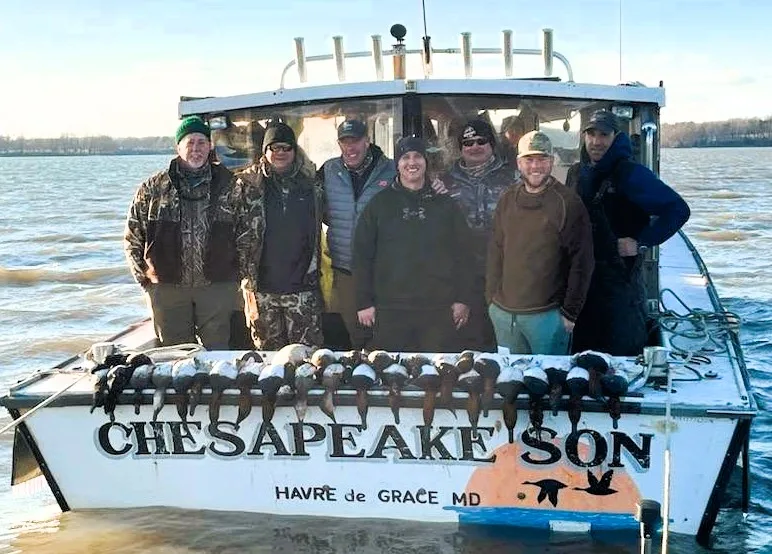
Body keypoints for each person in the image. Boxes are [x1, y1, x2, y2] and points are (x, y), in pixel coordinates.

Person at [565, 110, 691, 355]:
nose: (596, 141)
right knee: (582, 356)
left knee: (622, 355)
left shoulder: (631, 173)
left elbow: (678, 210)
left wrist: (641, 241)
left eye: (604, 135)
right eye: (591, 134)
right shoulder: (576, 173)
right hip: (583, 284)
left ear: (615, 137)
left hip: (619, 287)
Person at [124, 116, 255, 349]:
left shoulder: (230, 186)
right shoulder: (153, 188)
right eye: (190, 143)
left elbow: (248, 235)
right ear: (178, 147)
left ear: (210, 146)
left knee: (218, 352)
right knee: (175, 354)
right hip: (167, 288)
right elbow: (133, 236)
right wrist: (145, 281)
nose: (196, 149)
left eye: (201, 142)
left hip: (218, 287)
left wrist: (238, 276)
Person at [353, 136, 474, 352]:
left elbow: (464, 254)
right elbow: (362, 255)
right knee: (391, 368)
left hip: (438, 310)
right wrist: (364, 302)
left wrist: (463, 300)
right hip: (390, 309)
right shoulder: (380, 204)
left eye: (418, 156)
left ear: (426, 161)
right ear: (397, 163)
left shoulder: (445, 204)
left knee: (437, 369)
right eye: (405, 157)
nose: (412, 162)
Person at [486, 131, 594, 355]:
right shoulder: (507, 199)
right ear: (519, 163)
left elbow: (582, 262)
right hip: (504, 316)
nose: (535, 166)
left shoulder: (568, 203)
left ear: (552, 162)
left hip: (548, 317)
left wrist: (570, 312)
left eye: (542, 159)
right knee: (510, 375)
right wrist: (491, 301)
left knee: (548, 376)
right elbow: (496, 251)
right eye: (529, 159)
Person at [236, 122, 324, 350]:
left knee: (307, 356)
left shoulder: (313, 183)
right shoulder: (246, 184)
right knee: (268, 357)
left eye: (286, 147)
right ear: (265, 151)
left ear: (295, 150)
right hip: (261, 289)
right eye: (274, 148)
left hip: (303, 287)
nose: (280, 153)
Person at [438, 119, 519, 351]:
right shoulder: (444, 181)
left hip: (505, 273)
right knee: (467, 340)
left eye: (481, 141)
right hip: (462, 276)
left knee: (503, 340)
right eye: (468, 143)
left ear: (492, 144)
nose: (475, 147)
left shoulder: (513, 177)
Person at [318, 119, 396, 349]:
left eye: (356, 141)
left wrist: (438, 185)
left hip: (384, 270)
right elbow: (313, 204)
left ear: (367, 141)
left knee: (387, 331)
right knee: (357, 333)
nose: (350, 147)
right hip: (346, 270)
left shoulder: (391, 170)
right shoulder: (328, 171)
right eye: (345, 141)